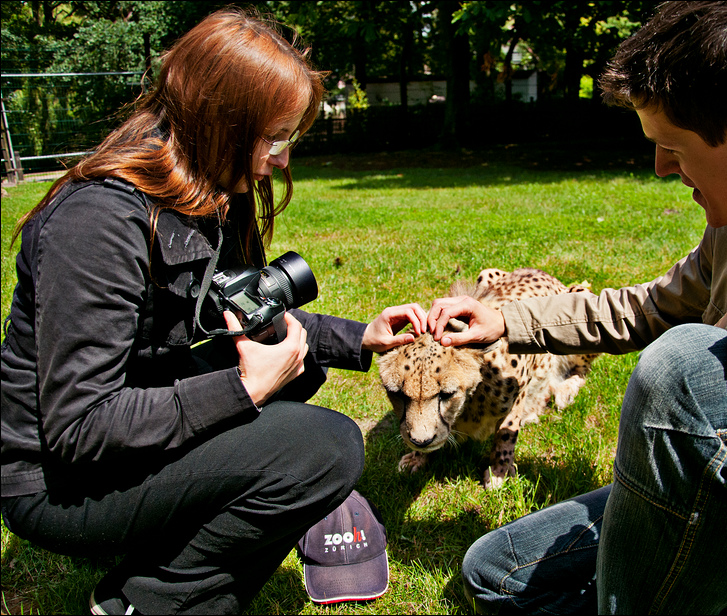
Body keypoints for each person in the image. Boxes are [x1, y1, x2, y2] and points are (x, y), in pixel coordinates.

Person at [427, 2, 727, 614]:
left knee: (687, 367)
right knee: (495, 574)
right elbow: (650, 307)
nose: (661, 169)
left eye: (671, 147)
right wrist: (508, 321)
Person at [0, 9, 426, 615]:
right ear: (219, 123)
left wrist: (363, 339)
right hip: (59, 485)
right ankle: (144, 603)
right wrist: (243, 391)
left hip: (125, 431)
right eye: (274, 138)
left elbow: (250, 314)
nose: (282, 160)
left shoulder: (206, 195)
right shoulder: (97, 221)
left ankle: (166, 544)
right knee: (325, 447)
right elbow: (80, 428)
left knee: (301, 368)